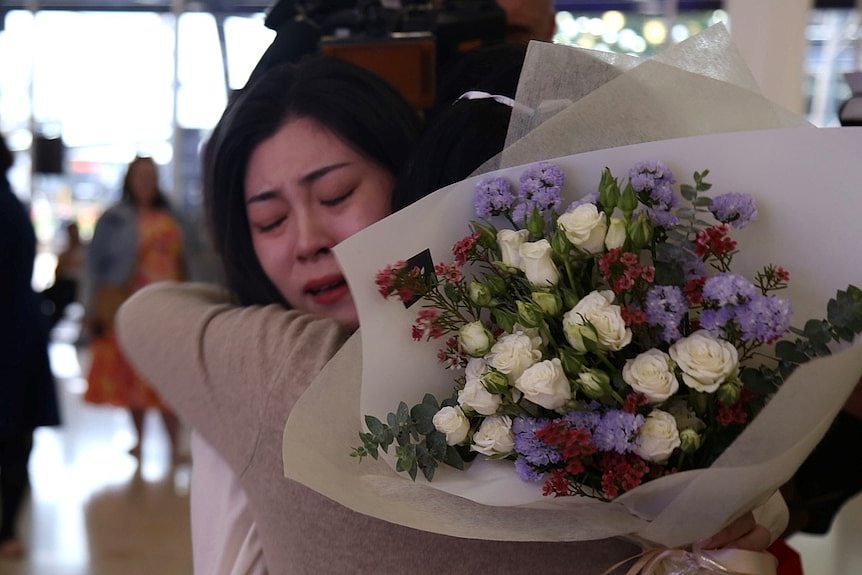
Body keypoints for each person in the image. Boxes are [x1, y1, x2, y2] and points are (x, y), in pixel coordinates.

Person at [117, 56, 776, 574]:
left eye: (337, 193)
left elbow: (150, 310)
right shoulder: (280, 358)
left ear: (413, 182)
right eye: (269, 219)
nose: (307, 237)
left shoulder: (563, 355)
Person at [84, 156, 190, 461]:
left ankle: (175, 444)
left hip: (170, 309)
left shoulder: (176, 217)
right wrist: (91, 310)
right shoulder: (113, 218)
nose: (146, 181)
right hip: (126, 307)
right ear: (129, 180)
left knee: (170, 377)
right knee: (131, 376)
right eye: (140, 175)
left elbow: (192, 261)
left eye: (151, 175)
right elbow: (93, 268)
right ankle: (139, 441)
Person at [0, 132, 61, 559]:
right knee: (15, 436)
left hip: (10, 335)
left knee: (12, 437)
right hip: (19, 331)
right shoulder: (12, 205)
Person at [41, 221, 85, 330]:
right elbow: (58, 271)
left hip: (75, 286)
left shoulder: (84, 251)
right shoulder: (66, 251)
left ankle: (49, 325)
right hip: (63, 283)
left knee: (60, 298)